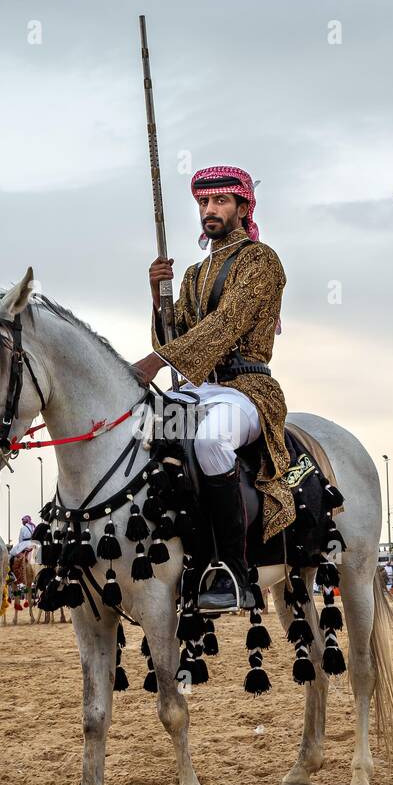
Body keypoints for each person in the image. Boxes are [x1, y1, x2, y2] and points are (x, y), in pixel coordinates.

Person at [137, 165, 290, 613]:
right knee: (144, 434)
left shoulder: (262, 261)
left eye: (220, 201)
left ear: (243, 206)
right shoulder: (192, 274)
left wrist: (155, 361)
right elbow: (173, 336)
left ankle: (234, 572)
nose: (210, 210)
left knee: (208, 441)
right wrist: (156, 297)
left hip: (246, 390)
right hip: (197, 390)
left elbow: (225, 326)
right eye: (204, 203)